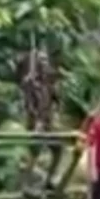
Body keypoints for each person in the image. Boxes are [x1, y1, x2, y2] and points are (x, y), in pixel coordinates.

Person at [16, 45, 63, 189]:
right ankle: (26, 184)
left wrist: (54, 116)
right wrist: (37, 121)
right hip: (35, 122)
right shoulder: (30, 83)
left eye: (46, 61)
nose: (45, 64)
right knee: (34, 152)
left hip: (47, 122)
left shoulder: (48, 83)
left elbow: (57, 101)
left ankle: (48, 180)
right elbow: (29, 105)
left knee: (58, 149)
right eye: (41, 61)